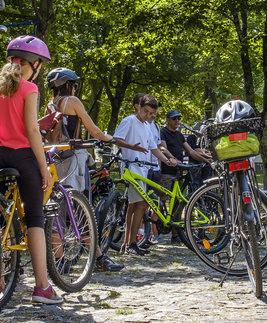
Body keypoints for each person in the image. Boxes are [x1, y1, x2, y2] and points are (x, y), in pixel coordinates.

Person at [0, 36, 63, 304]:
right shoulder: (29, 88)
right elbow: (32, 130)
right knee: (34, 217)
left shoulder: (1, 89)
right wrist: (43, 168)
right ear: (33, 64)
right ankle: (42, 287)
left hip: (2, 157)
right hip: (23, 157)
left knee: (1, 219)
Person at [43, 67, 124, 271]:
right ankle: (98, 259)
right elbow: (93, 130)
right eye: (75, 85)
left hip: (55, 160)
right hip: (74, 160)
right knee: (82, 208)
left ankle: (59, 262)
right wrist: (109, 138)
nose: (76, 88)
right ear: (68, 85)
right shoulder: (73, 102)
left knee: (57, 209)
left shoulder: (49, 106)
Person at [114, 94, 176, 254]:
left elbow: (153, 148)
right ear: (138, 106)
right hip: (131, 168)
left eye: (151, 114)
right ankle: (132, 243)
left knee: (134, 205)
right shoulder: (129, 120)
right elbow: (116, 139)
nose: (148, 115)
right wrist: (132, 147)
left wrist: (167, 160)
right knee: (142, 204)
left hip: (143, 169)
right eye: (146, 111)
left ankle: (128, 243)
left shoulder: (147, 126)